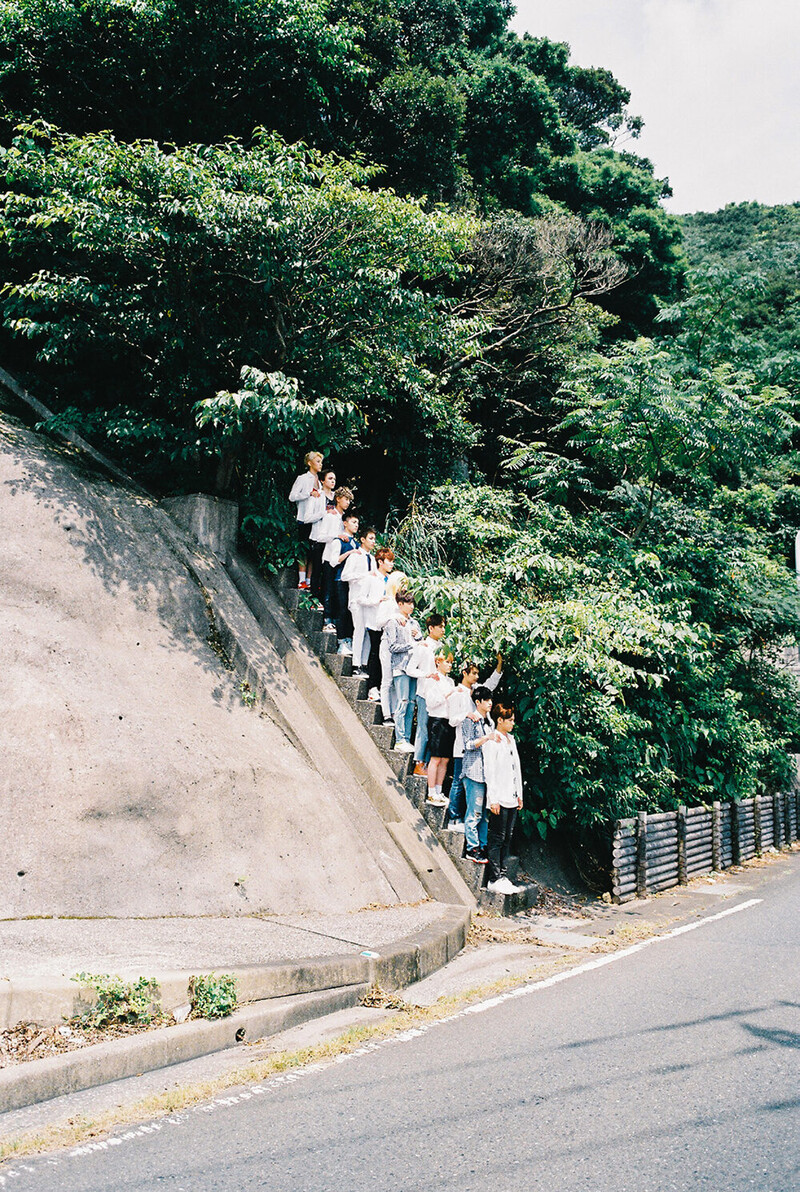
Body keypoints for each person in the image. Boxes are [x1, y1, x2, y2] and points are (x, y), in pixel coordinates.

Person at [445, 654, 503, 832]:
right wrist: (466, 715)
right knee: (458, 782)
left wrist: (499, 664)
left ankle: (462, 818)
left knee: (470, 786)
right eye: (474, 673)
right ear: (464, 673)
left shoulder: (477, 690)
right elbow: (451, 720)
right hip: (463, 747)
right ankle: (454, 818)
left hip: (478, 751)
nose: (477, 677)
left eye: (478, 673)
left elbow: (490, 685)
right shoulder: (457, 692)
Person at [483, 703, 524, 895]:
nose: (513, 723)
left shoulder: (511, 740)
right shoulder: (493, 741)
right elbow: (490, 772)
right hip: (498, 796)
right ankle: (494, 877)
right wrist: (493, 799)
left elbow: (517, 767)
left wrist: (519, 794)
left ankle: (504, 875)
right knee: (497, 837)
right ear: (500, 720)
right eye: (510, 720)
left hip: (512, 796)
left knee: (508, 837)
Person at [407, 613, 447, 777]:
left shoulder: (443, 647)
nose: (443, 630)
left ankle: (429, 765)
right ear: (431, 628)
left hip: (439, 695)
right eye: (440, 627)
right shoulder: (423, 647)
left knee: (434, 731)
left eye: (444, 626)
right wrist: (427, 675)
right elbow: (410, 669)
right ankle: (419, 763)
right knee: (423, 729)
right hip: (424, 692)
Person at [460, 685, 496, 864]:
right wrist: (485, 739)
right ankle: (471, 848)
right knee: (474, 811)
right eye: (486, 700)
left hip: (486, 772)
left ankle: (482, 846)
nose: (490, 703)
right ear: (478, 702)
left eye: (491, 699)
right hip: (473, 771)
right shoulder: (470, 720)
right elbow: (467, 745)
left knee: (484, 813)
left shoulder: (489, 722)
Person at [382, 593, 421, 751]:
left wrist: (418, 637)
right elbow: (392, 647)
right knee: (402, 702)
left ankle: (406, 739)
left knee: (411, 704)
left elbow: (420, 643)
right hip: (400, 666)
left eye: (412, 603)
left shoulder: (414, 623)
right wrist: (410, 645)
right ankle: (400, 739)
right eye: (407, 603)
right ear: (399, 604)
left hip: (413, 667)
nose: (411, 606)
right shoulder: (393, 622)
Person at [340, 527, 377, 675]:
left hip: (369, 601)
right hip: (356, 599)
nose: (373, 542)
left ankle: (363, 663)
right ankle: (356, 665)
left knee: (368, 632)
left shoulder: (372, 559)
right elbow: (344, 576)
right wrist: (364, 575)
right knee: (359, 630)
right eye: (370, 538)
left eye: (374, 539)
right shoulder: (355, 556)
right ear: (362, 539)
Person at [361, 547, 395, 699]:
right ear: (380, 562)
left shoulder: (392, 580)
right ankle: (372, 687)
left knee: (384, 656)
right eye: (389, 561)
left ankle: (381, 686)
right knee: (375, 653)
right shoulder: (371, 578)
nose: (391, 564)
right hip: (375, 621)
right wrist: (377, 601)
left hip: (388, 623)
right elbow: (361, 598)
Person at [324, 510, 359, 653]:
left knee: (349, 611)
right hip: (340, 579)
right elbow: (333, 561)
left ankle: (348, 639)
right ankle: (341, 641)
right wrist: (349, 552)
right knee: (342, 609)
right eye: (353, 522)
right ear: (345, 523)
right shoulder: (338, 541)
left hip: (353, 581)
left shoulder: (356, 543)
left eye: (357, 523)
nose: (356, 525)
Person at [288, 450, 323, 590]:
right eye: (318, 461)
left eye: (321, 461)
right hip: (304, 518)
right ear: (310, 463)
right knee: (303, 549)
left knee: (313, 550)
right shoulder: (302, 478)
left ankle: (309, 580)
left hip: (316, 520)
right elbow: (292, 496)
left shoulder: (320, 482)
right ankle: (301, 579)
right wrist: (308, 494)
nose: (320, 464)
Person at [319, 491, 354, 631]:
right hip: (329, 557)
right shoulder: (330, 516)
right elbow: (320, 537)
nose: (348, 502)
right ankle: (326, 620)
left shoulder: (343, 518)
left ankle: (333, 619)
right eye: (346, 499)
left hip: (340, 560)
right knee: (327, 589)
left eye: (349, 500)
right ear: (338, 499)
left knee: (335, 590)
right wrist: (337, 536)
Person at [425, 650, 456, 805]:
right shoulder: (433, 678)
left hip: (448, 721)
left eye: (451, 662)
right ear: (438, 662)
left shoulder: (450, 681)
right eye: (447, 662)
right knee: (435, 758)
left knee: (445, 759)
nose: (449, 665)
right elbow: (430, 702)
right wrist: (447, 695)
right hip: (437, 719)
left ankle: (439, 790)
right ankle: (431, 792)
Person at [307, 468, 338, 601]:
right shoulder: (317, 496)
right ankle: (313, 598)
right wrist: (324, 513)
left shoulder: (337, 497)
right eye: (330, 478)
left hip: (333, 540)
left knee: (328, 572)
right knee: (317, 569)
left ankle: (324, 600)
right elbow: (307, 518)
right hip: (318, 537)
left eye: (334, 479)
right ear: (322, 480)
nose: (333, 481)